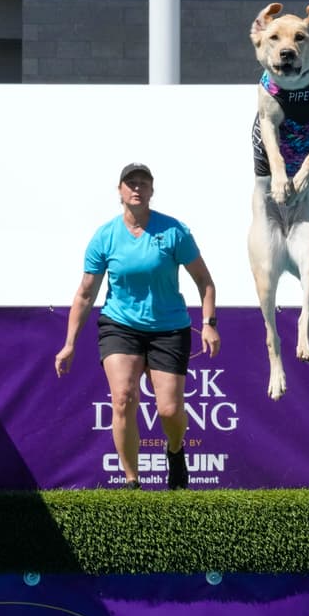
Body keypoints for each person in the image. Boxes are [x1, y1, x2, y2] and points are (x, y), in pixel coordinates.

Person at [54, 163, 220, 490]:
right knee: (123, 398)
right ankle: (132, 483)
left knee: (170, 410)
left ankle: (175, 451)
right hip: (120, 326)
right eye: (131, 183)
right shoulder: (105, 236)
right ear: (119, 191)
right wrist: (70, 342)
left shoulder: (174, 232)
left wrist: (209, 323)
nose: (137, 188)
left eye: (144, 183)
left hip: (169, 328)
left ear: (152, 192)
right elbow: (86, 293)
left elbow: (205, 281)